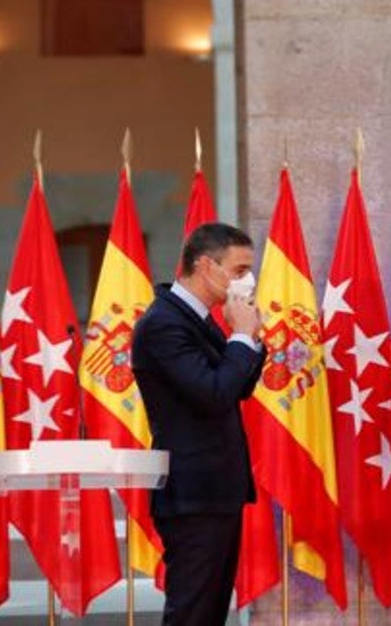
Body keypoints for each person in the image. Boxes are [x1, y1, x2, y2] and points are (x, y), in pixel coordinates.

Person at [131, 222, 266, 625]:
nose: (247, 280)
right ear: (206, 265)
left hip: (216, 490)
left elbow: (238, 388)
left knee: (209, 614)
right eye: (239, 270)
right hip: (193, 492)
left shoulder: (199, 319)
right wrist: (240, 336)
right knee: (192, 613)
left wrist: (250, 339)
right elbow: (214, 393)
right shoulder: (164, 323)